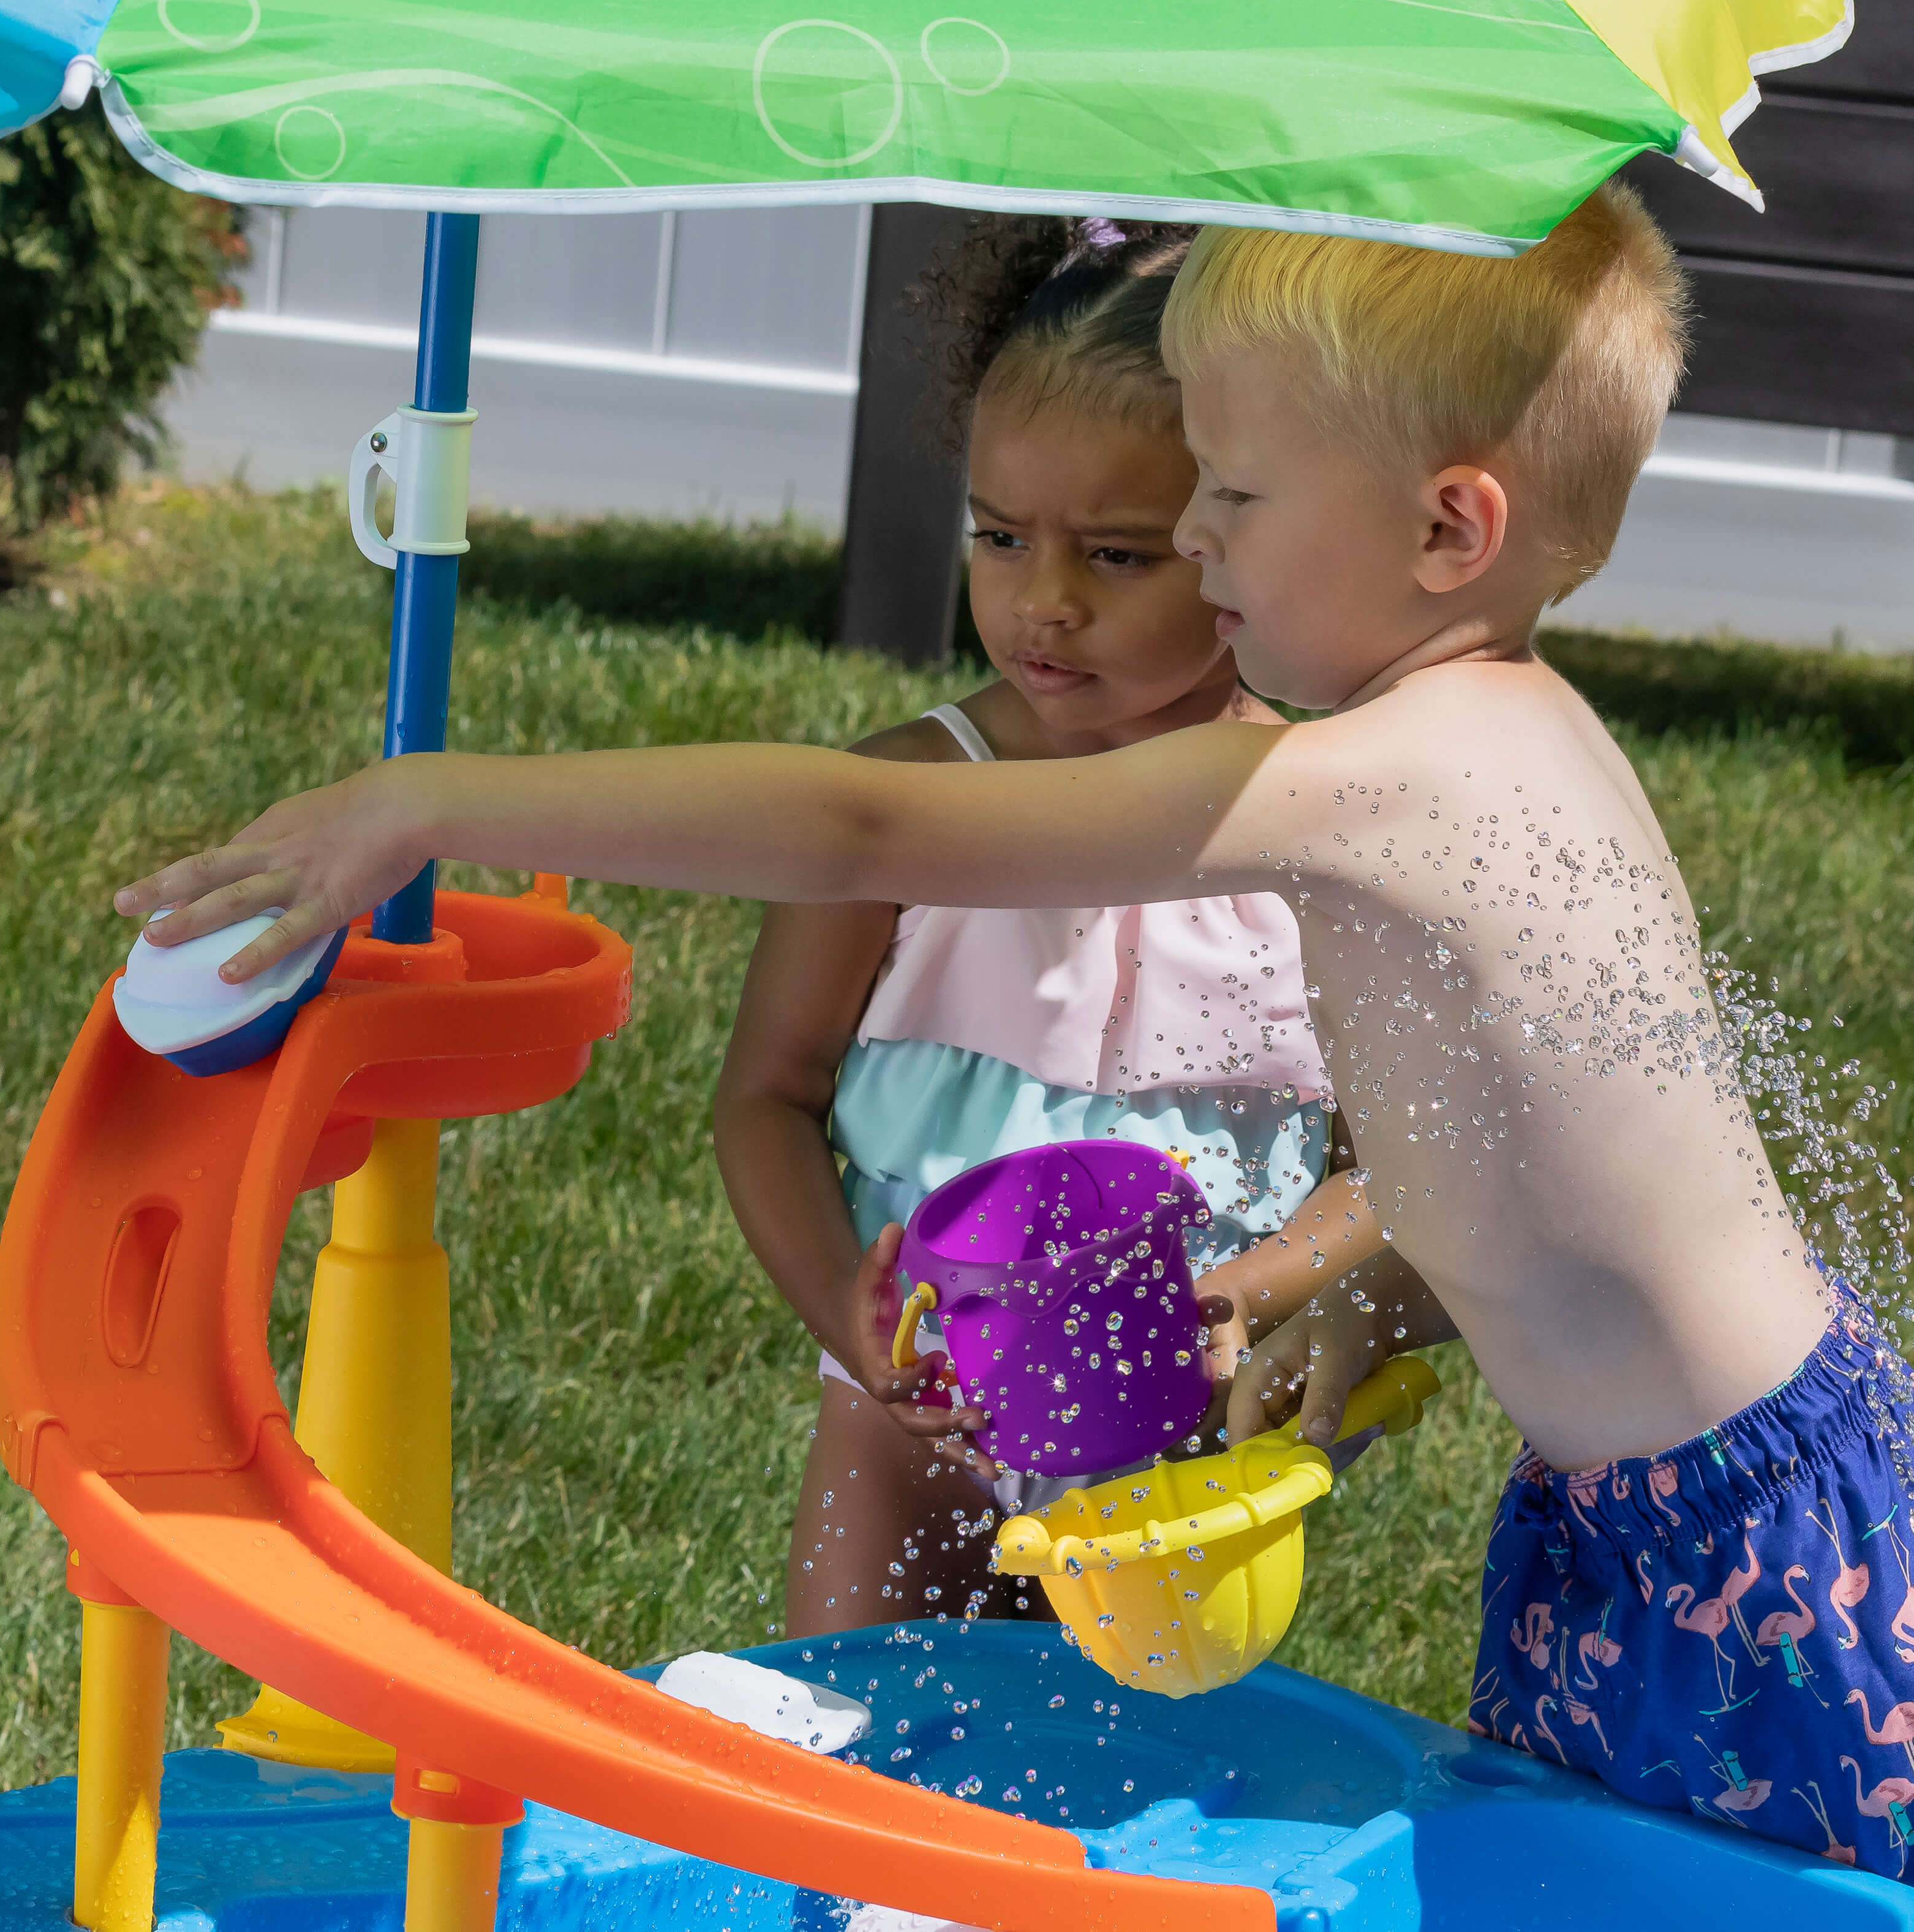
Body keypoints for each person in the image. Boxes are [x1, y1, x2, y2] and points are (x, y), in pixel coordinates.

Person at [115, 181, 1907, 1873]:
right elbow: (1547, 1157)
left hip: (1743, 1545)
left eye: (1234, 497)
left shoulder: (1383, 776)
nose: (1196, 538)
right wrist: (1361, 1286)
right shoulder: (1488, 745)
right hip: (1653, 1511)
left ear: (1449, 527)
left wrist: (432, 799)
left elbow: (858, 825)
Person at [709, 216, 1352, 1635]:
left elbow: (1400, 1167)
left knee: (1124, 1833)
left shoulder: (1320, 829)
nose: (1040, 602)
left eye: (1116, 557)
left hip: (1182, 1460)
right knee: (849, 1766)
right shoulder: (905, 800)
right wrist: (848, 1316)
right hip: (908, 1435)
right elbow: (765, 1094)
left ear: (1248, 531)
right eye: (998, 536)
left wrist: (1253, 1289)